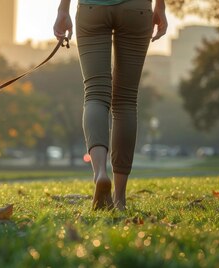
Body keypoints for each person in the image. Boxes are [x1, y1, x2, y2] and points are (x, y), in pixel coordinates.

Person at [53, 0, 168, 210]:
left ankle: (100, 174)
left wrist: (63, 9)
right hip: (137, 8)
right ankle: (120, 198)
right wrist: (160, 7)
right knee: (125, 100)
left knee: (95, 94)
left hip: (92, 8)